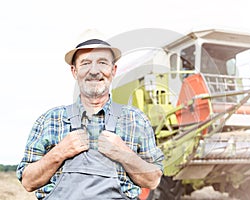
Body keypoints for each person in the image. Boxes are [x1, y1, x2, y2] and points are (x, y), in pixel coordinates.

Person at [16, 29, 164, 200]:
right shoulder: (49, 120)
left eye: (102, 62)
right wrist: (59, 152)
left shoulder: (136, 120)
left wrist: (124, 154)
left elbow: (153, 181)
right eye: (85, 63)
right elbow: (28, 182)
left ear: (113, 70)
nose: (94, 71)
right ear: (74, 71)